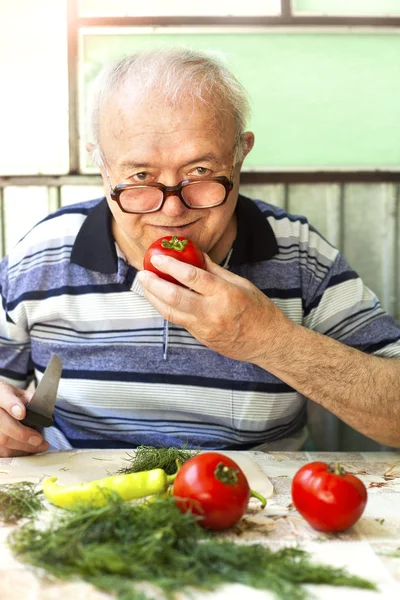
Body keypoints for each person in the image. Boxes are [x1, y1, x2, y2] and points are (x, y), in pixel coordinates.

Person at [0, 48, 399, 458]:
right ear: (102, 166)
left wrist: (269, 339)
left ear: (240, 154)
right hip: (85, 508)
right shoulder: (40, 256)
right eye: (141, 176)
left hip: (258, 508)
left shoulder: (299, 256)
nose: (172, 209)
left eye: (200, 173)